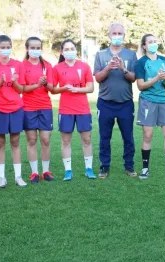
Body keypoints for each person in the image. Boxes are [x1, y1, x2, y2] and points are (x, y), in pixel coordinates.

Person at [94, 22, 138, 179]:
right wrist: (107, 68)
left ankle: (129, 166)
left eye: (120, 33)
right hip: (105, 103)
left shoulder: (131, 55)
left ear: (124, 36)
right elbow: (98, 78)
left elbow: (133, 78)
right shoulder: (101, 55)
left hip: (125, 103)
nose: (117, 36)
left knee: (128, 137)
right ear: (109, 35)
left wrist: (122, 68)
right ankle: (104, 167)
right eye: (115, 33)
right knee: (105, 137)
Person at [135, 34, 165, 179]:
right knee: (148, 135)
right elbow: (140, 86)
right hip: (148, 101)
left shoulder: (164, 60)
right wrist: (156, 78)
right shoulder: (141, 62)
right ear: (144, 46)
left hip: (163, 101)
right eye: (150, 42)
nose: (154, 44)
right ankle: (145, 168)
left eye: (155, 41)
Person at [52, 39, 96, 181]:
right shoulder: (57, 68)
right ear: (62, 52)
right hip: (65, 110)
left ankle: (89, 169)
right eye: (67, 49)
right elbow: (53, 89)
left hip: (83, 109)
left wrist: (77, 89)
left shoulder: (84, 66)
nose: (70, 51)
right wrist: (63, 88)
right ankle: (68, 171)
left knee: (87, 139)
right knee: (66, 141)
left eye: (72, 48)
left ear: (76, 50)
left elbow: (91, 88)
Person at [0, 35, 27, 188]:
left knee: (16, 141)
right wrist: (1, 81)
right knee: (0, 142)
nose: (5, 50)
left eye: (8, 47)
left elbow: (21, 89)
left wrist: (15, 81)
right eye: (2, 47)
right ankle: (1, 177)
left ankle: (18, 176)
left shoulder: (18, 65)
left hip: (16, 107)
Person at [22, 37, 55, 183]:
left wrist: (45, 83)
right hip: (28, 107)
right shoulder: (22, 66)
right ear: (27, 49)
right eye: (32, 47)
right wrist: (36, 84)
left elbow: (53, 89)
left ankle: (46, 171)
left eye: (38, 47)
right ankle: (34, 172)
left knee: (45, 140)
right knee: (31, 140)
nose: (36, 50)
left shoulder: (47, 66)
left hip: (45, 107)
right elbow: (22, 88)